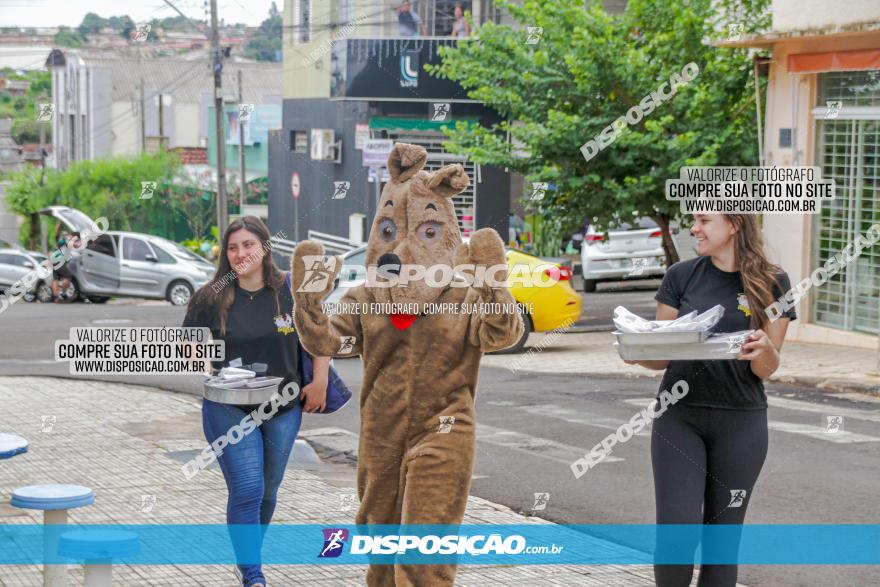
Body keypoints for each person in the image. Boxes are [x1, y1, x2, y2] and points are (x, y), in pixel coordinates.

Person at [623, 214, 796, 587]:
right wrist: (637, 349)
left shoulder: (774, 282)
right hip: (678, 417)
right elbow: (661, 356)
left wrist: (764, 349)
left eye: (704, 220)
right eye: (693, 220)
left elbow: (768, 368)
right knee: (676, 535)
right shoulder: (681, 276)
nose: (694, 228)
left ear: (734, 224)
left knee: (721, 543)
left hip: (741, 423)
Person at [182, 216, 330, 587]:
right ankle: (253, 575)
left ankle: (248, 558)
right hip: (227, 406)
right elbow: (189, 342)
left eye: (248, 245)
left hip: (283, 407)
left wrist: (321, 380)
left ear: (264, 247)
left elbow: (319, 334)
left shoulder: (291, 291)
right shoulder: (211, 296)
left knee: (267, 492)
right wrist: (207, 366)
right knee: (247, 487)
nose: (240, 253)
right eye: (233, 247)